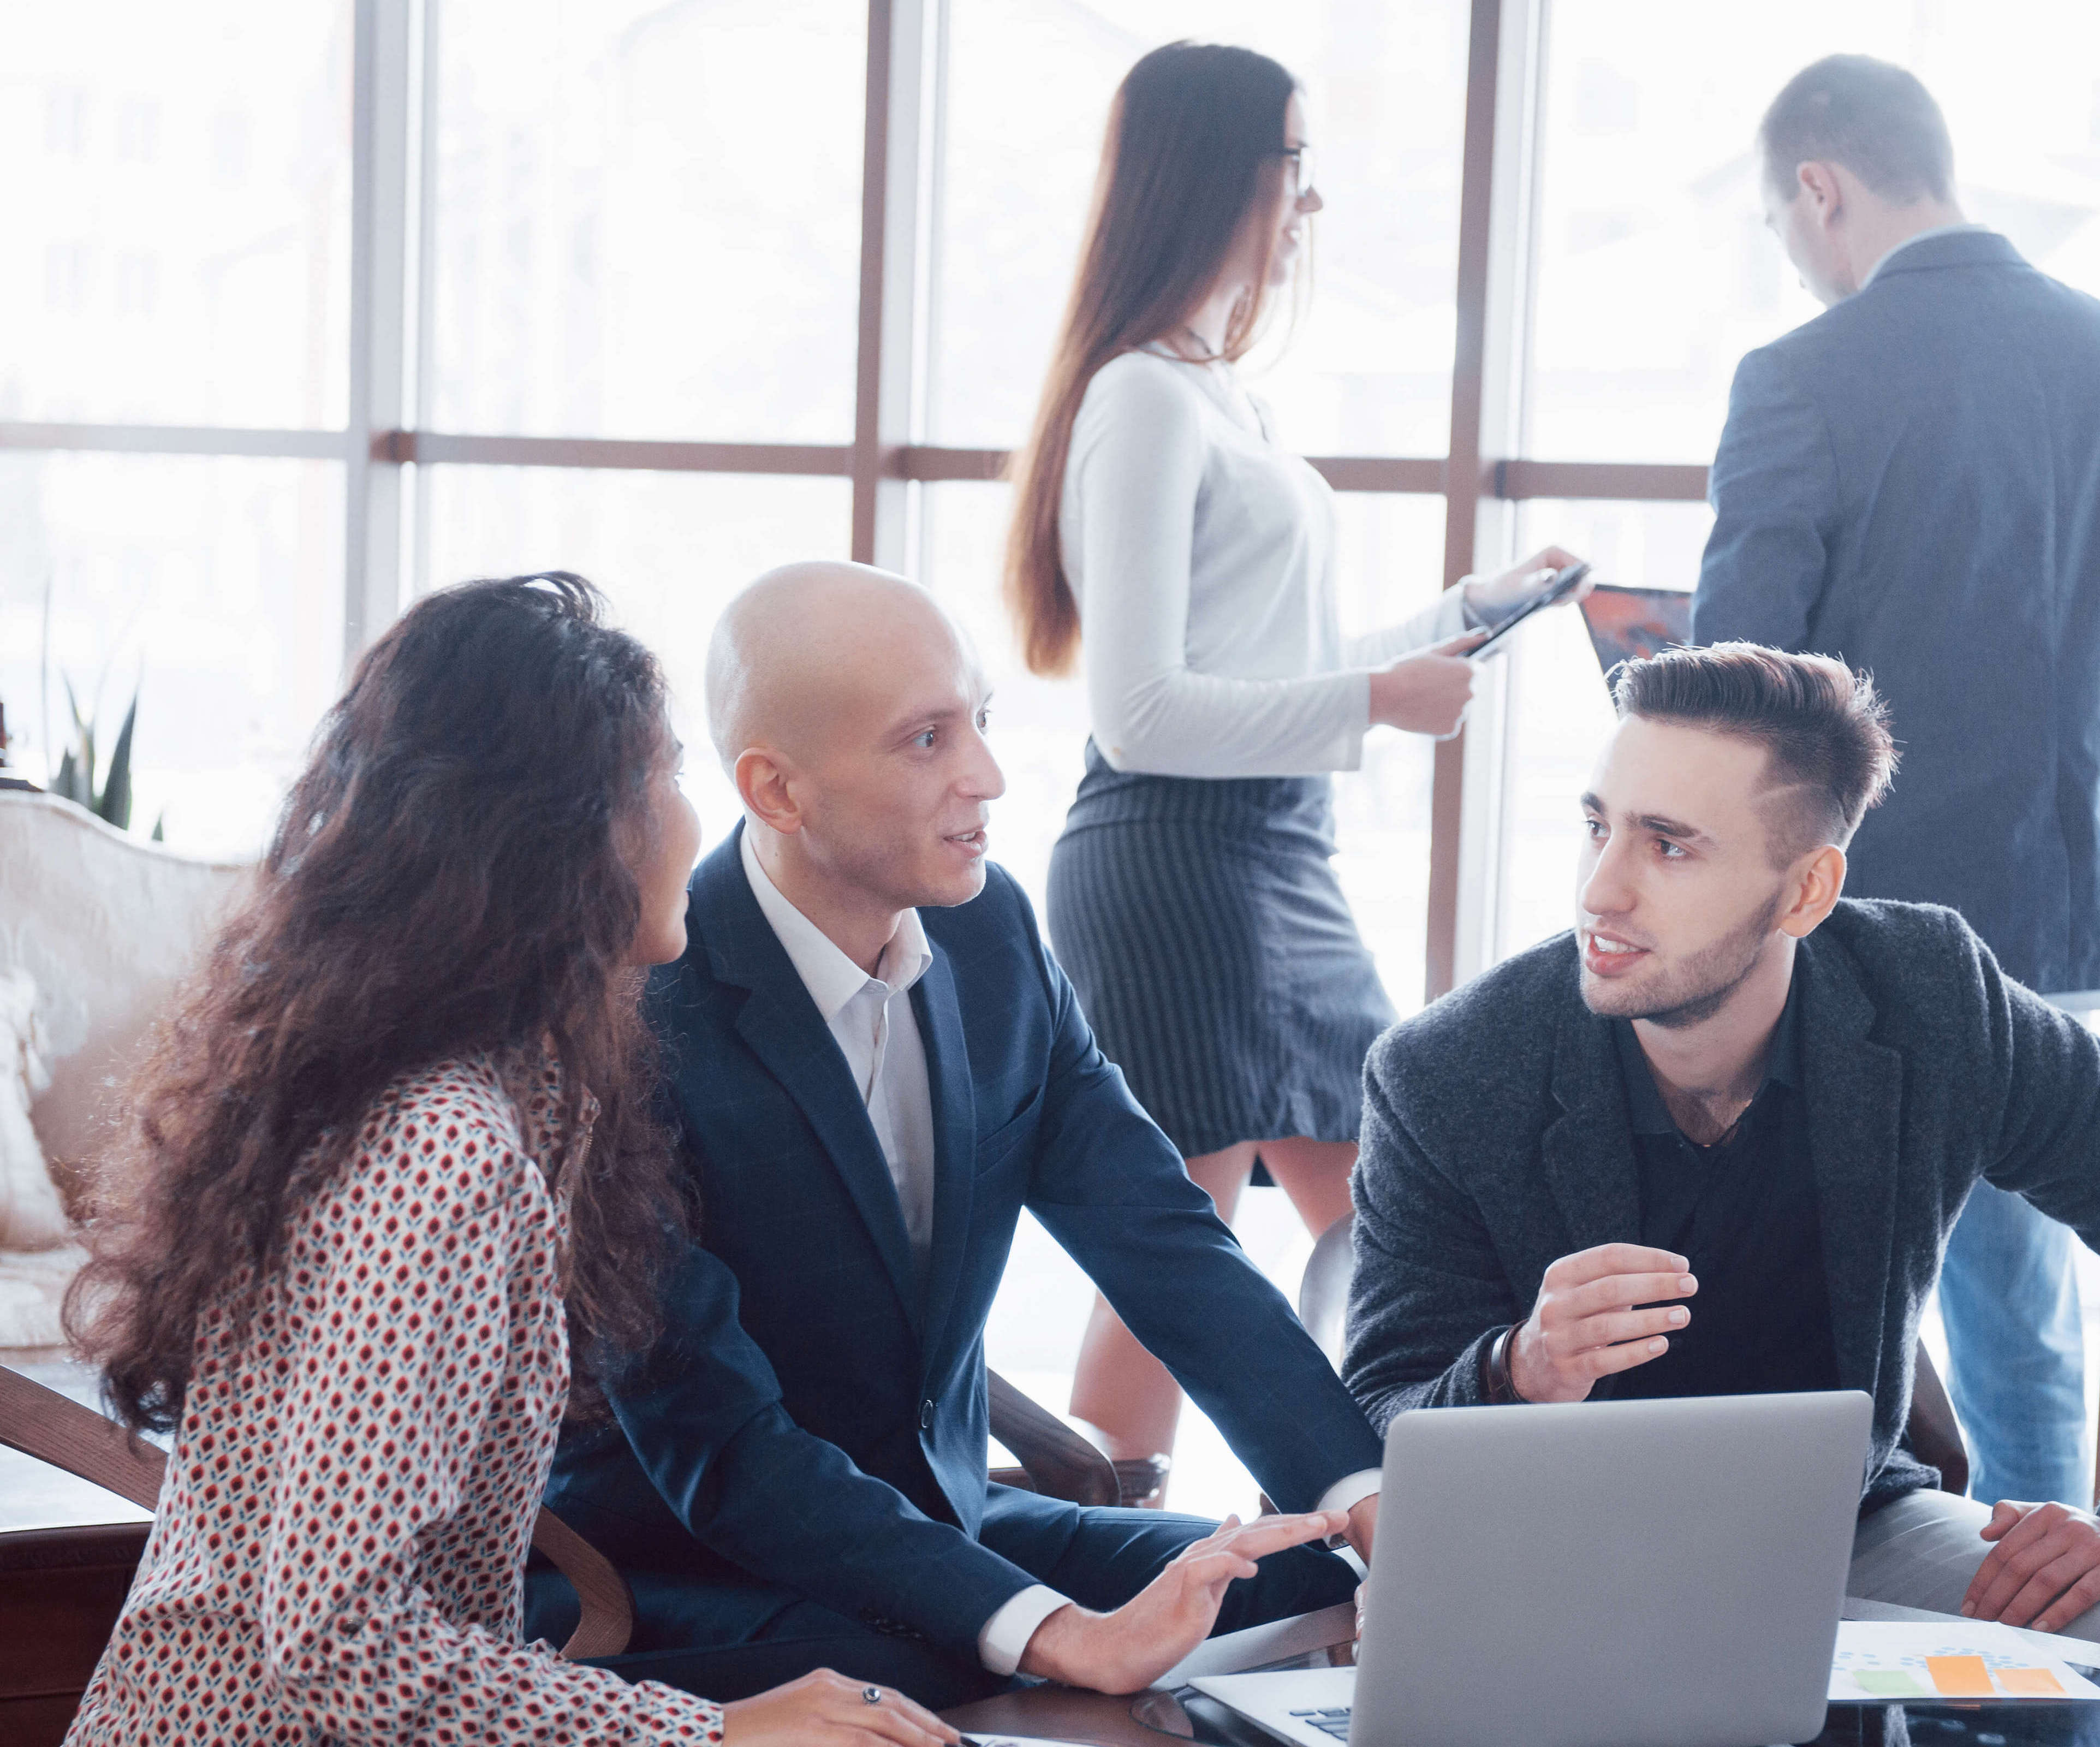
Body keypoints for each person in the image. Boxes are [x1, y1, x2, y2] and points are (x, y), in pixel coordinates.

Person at [63, 574, 953, 1745]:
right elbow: (338, 1644)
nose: (695, 824)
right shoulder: (446, 1150)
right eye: (667, 774)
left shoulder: (485, 1095)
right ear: (564, 833)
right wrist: (714, 1732)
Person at [1344, 643, 2100, 1655]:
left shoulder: (1930, 995)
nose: (1601, 891)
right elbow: (1378, 1409)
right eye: (1600, 827)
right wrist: (1521, 1367)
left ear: (1808, 893)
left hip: (1844, 1531)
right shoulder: (1449, 1070)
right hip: (1545, 1556)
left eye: (1668, 846)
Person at [542, 561, 1388, 1710]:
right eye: (926, 740)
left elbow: (1165, 1242)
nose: (986, 775)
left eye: (978, 719)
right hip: (680, 1556)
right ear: (778, 791)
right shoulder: (641, 1014)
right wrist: (1054, 1632)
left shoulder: (991, 932)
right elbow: (722, 1449)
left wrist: (1363, 1492)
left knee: (1292, 1581)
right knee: (920, 1666)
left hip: (945, 1515)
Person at [1001, 40, 1589, 1478]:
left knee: (1370, 1222)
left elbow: (1269, 670)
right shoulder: (1142, 395)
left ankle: (1383, 1513)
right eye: (1296, 165)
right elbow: (1143, 712)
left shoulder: (1215, 392)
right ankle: (1143, 1539)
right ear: (1222, 175)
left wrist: (1466, 617)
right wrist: (1377, 700)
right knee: (1211, 1243)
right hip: (1184, 865)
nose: (1311, 205)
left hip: (1264, 858)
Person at [1688, 55, 2100, 1513]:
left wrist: (1649, 670)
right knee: (2023, 1317)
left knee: (1821, 1303)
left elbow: (1739, 684)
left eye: (1780, 219)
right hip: (2065, 914)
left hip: (1867, 918)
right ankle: (2039, 1658)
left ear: (1821, 186)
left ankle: (1824, 1648)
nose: (1793, 255)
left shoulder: (1801, 377)